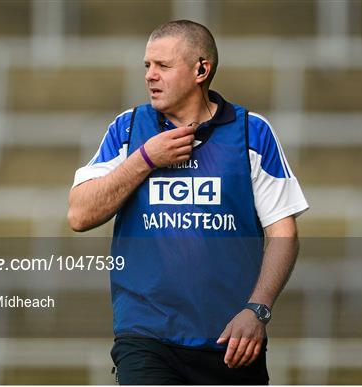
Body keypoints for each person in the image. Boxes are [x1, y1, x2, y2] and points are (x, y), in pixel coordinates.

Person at [68, 20, 309, 385]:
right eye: (147, 66)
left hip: (232, 339)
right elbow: (79, 214)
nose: (150, 76)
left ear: (201, 69)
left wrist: (257, 310)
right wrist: (145, 160)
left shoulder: (251, 132)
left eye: (163, 66)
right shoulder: (129, 129)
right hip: (146, 336)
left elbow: (283, 231)